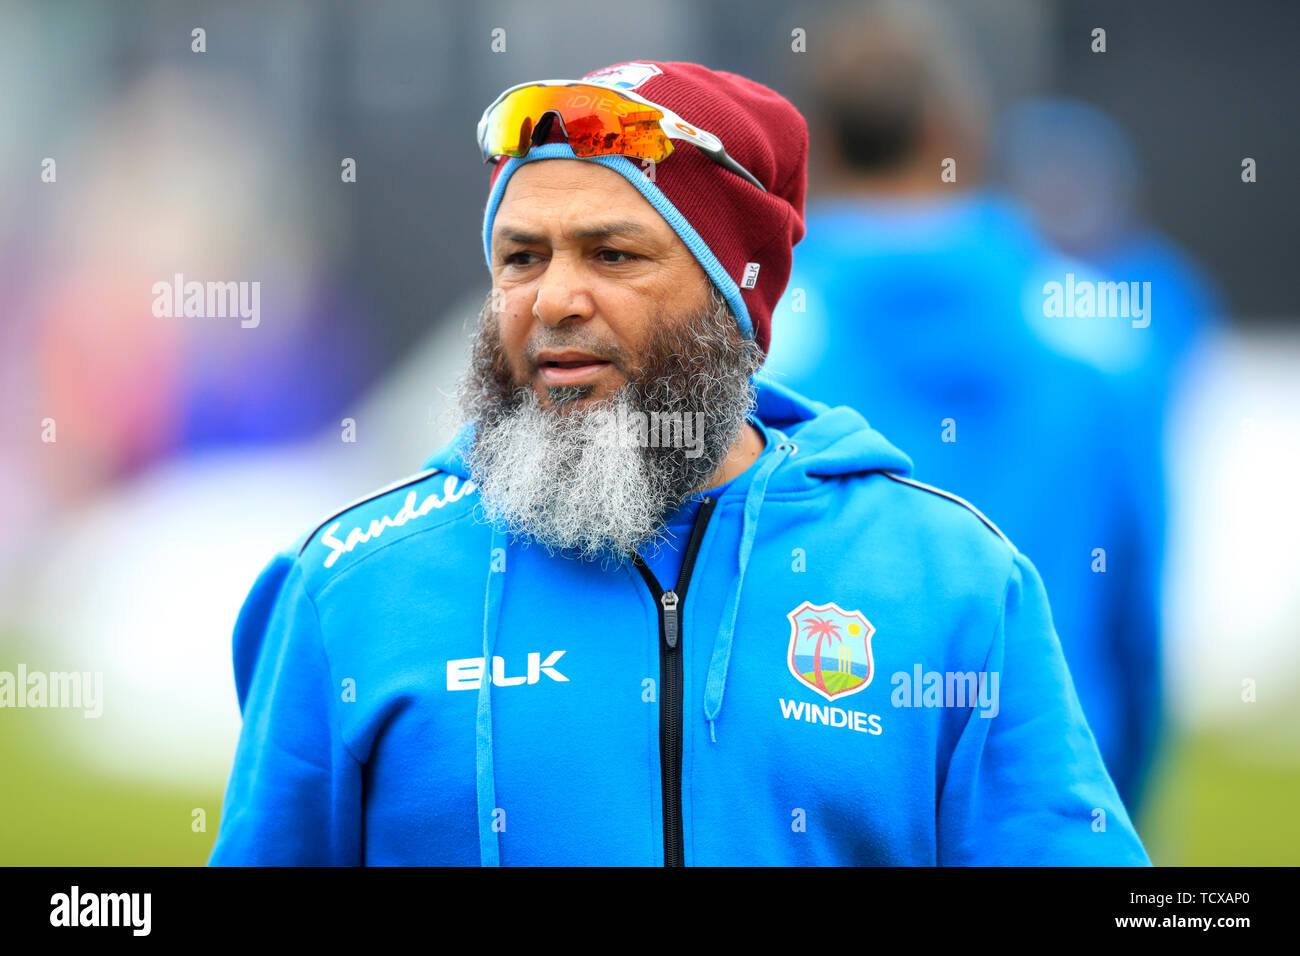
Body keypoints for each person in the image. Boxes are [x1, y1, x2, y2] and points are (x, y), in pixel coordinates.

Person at [208, 60, 1149, 866]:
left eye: (613, 255)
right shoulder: (350, 587)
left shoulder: (952, 582)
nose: (555, 299)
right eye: (522, 257)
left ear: (732, 307)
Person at [763, 6, 1165, 817]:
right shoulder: (1099, 336)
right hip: (1052, 789)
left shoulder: (761, 346)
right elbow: (1138, 616)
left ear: (820, 152)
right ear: (958, 136)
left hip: (836, 795)